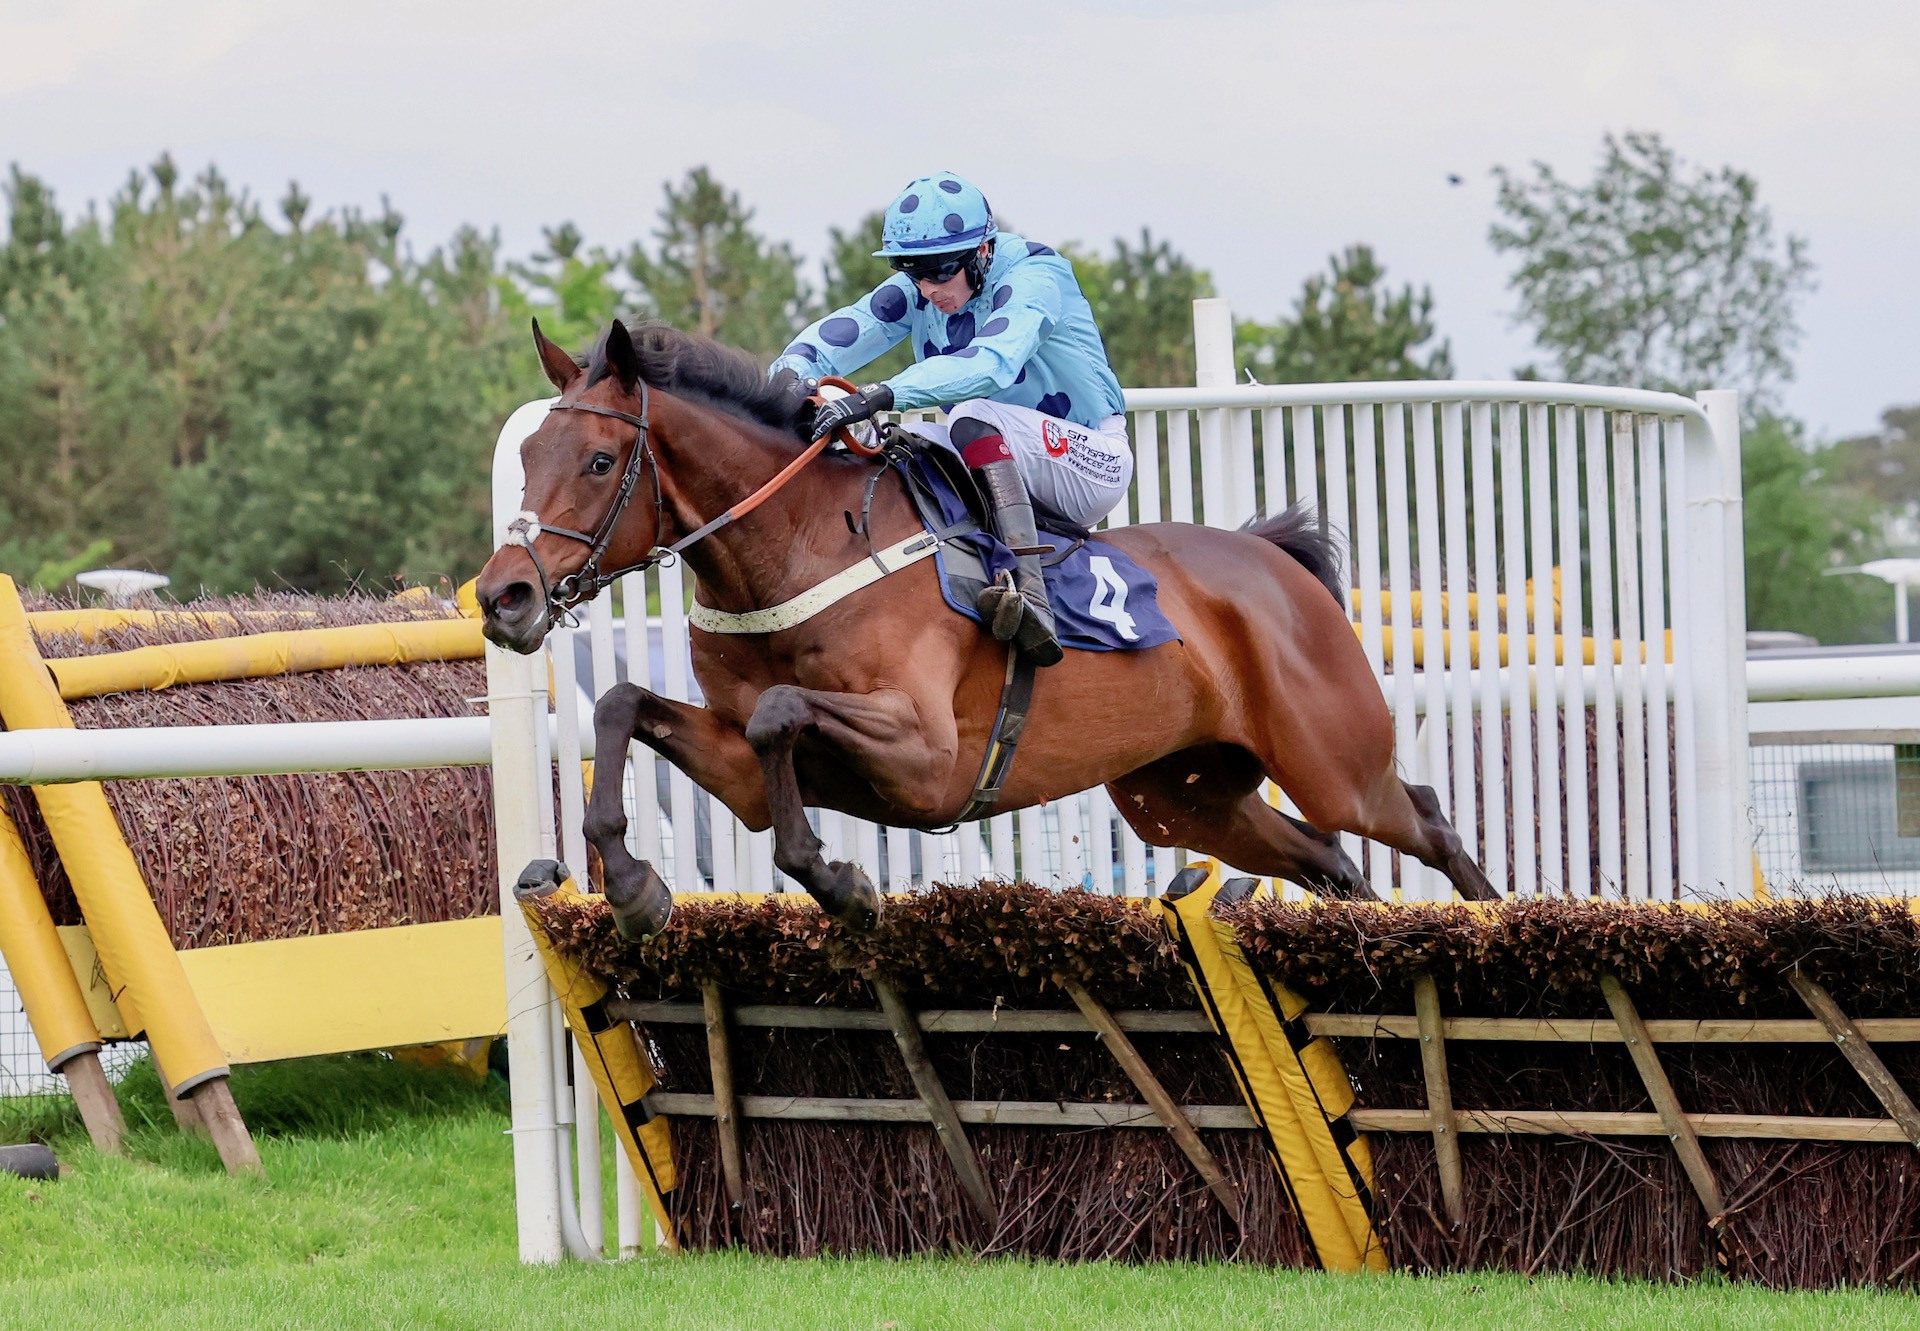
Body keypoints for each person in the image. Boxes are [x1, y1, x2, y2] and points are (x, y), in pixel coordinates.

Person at [770, 173, 1130, 666]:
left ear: (983, 251)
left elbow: (989, 364)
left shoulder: (1035, 275)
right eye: (913, 272)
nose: (928, 289)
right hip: (1007, 456)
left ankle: (1033, 598)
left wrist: (882, 392)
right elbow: (841, 333)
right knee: (902, 441)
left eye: (940, 272)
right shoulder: (924, 287)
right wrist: (787, 381)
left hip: (1091, 462)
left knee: (970, 414)